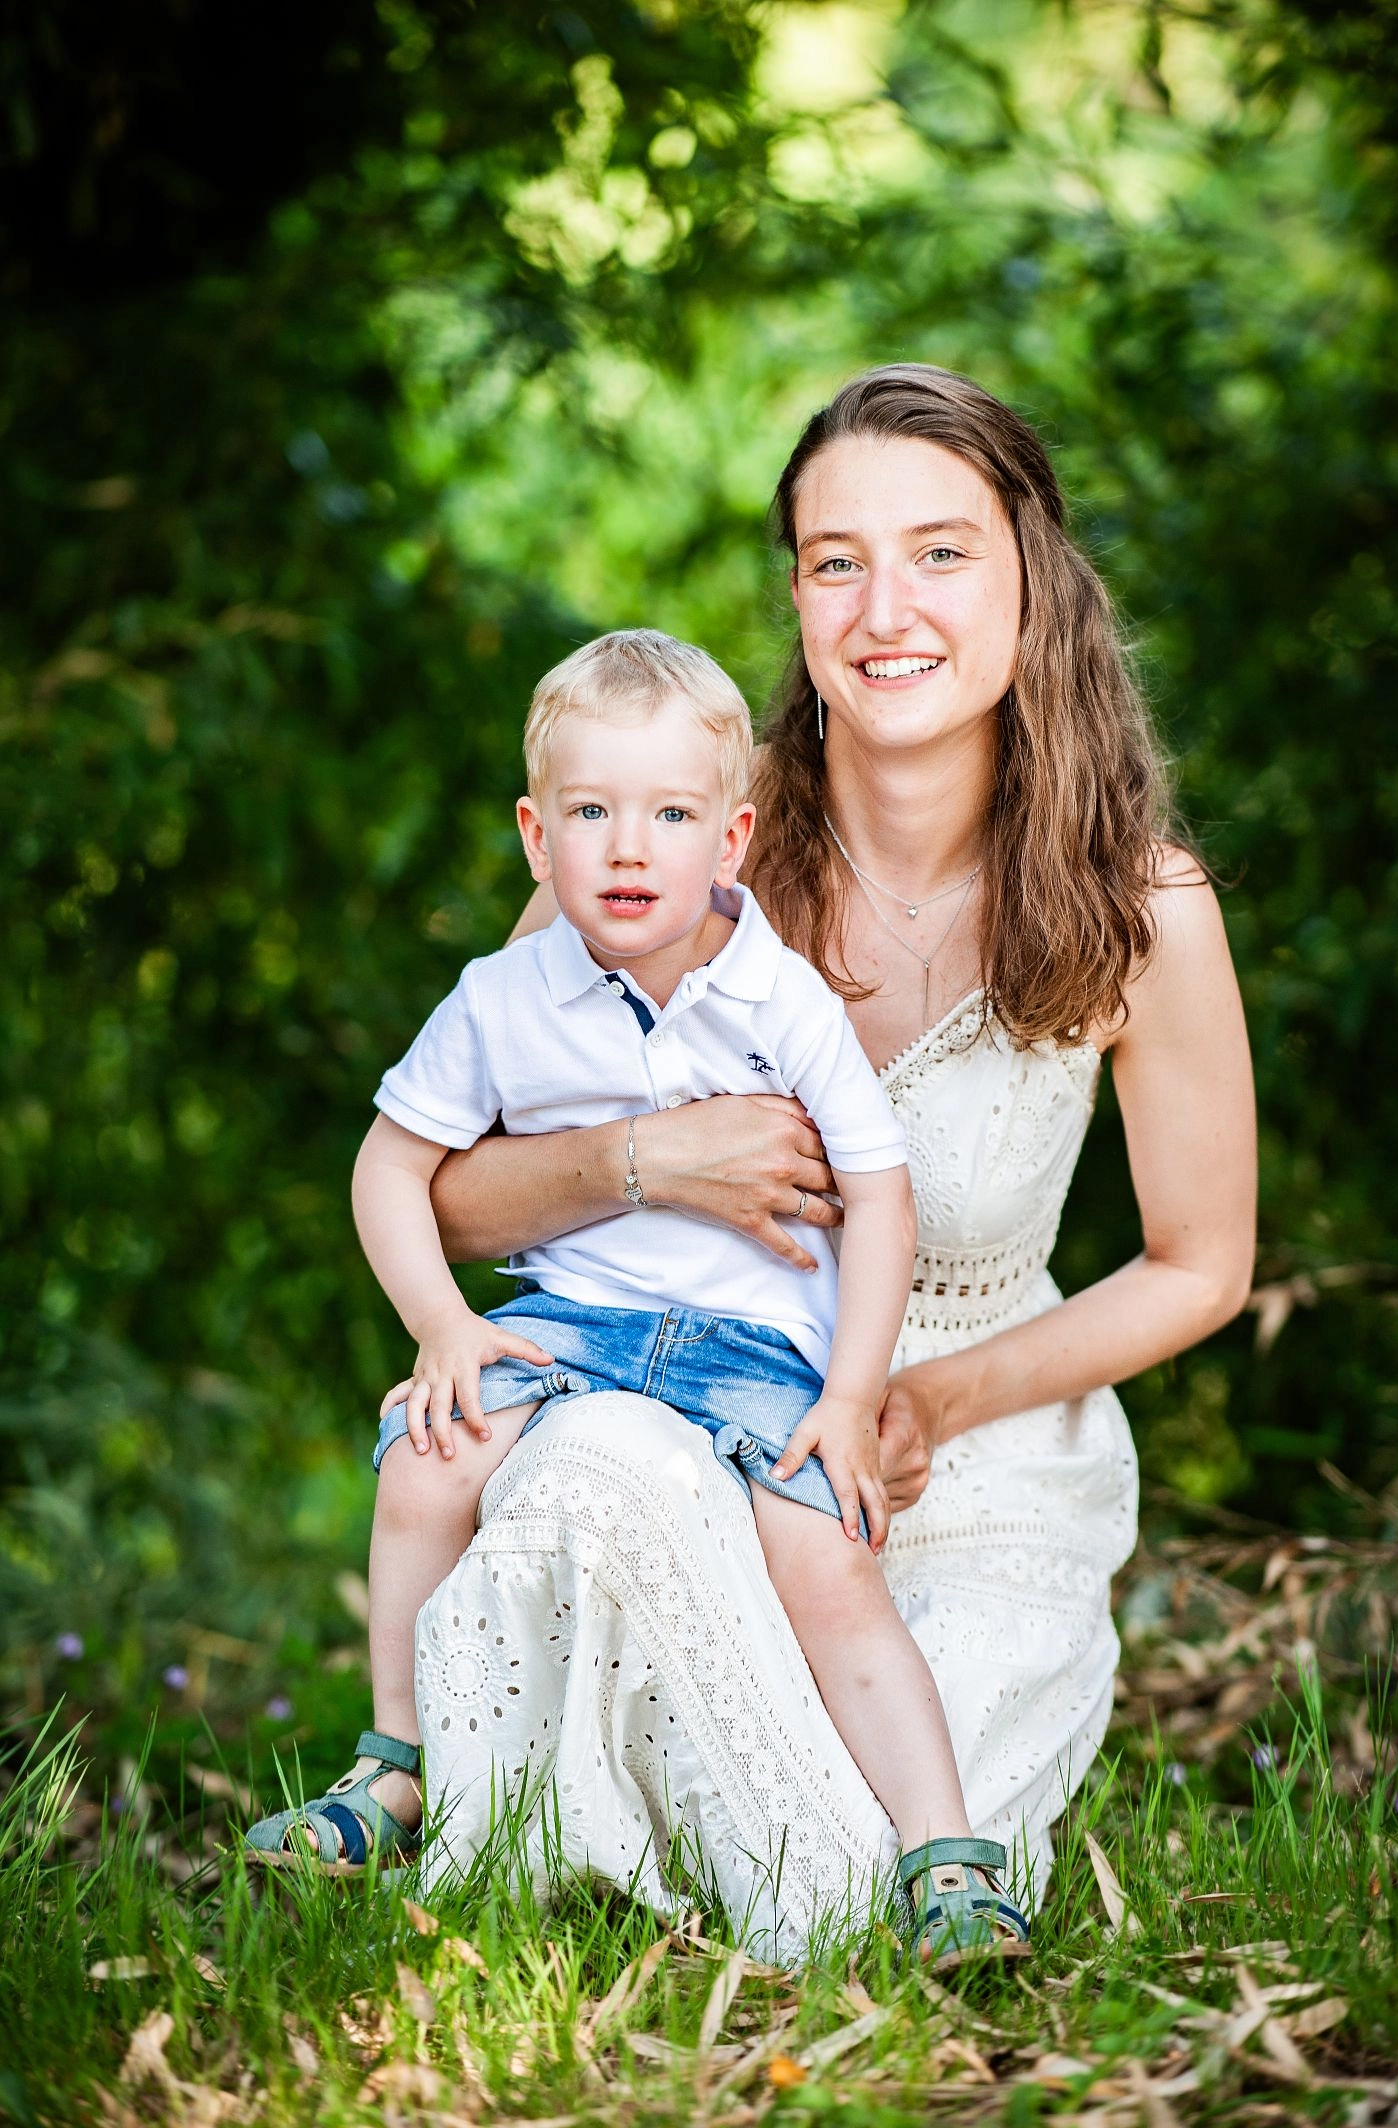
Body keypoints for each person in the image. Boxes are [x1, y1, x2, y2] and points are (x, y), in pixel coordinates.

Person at [401, 365, 1256, 1960]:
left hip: (984, 1460)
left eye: (941, 551)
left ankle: (779, 1846)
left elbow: (1202, 1263)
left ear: (1030, 576)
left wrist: (930, 1399)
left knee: (909, 1840)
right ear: (794, 596)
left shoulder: (1145, 902)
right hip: (695, 1410)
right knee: (606, 1474)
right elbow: (447, 1201)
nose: (886, 607)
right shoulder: (673, 849)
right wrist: (646, 1161)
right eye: (836, 560)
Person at [244, 627, 1028, 1961]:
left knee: (827, 1558)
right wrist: (444, 1327)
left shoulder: (777, 994)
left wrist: (850, 1395)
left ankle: (943, 1853)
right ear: (534, 837)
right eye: (591, 812)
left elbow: (882, 1193)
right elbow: (390, 1167)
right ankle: (395, 1763)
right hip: (567, 1327)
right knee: (427, 1457)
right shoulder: (503, 998)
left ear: (728, 842)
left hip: (749, 1342)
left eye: (667, 814)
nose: (626, 847)